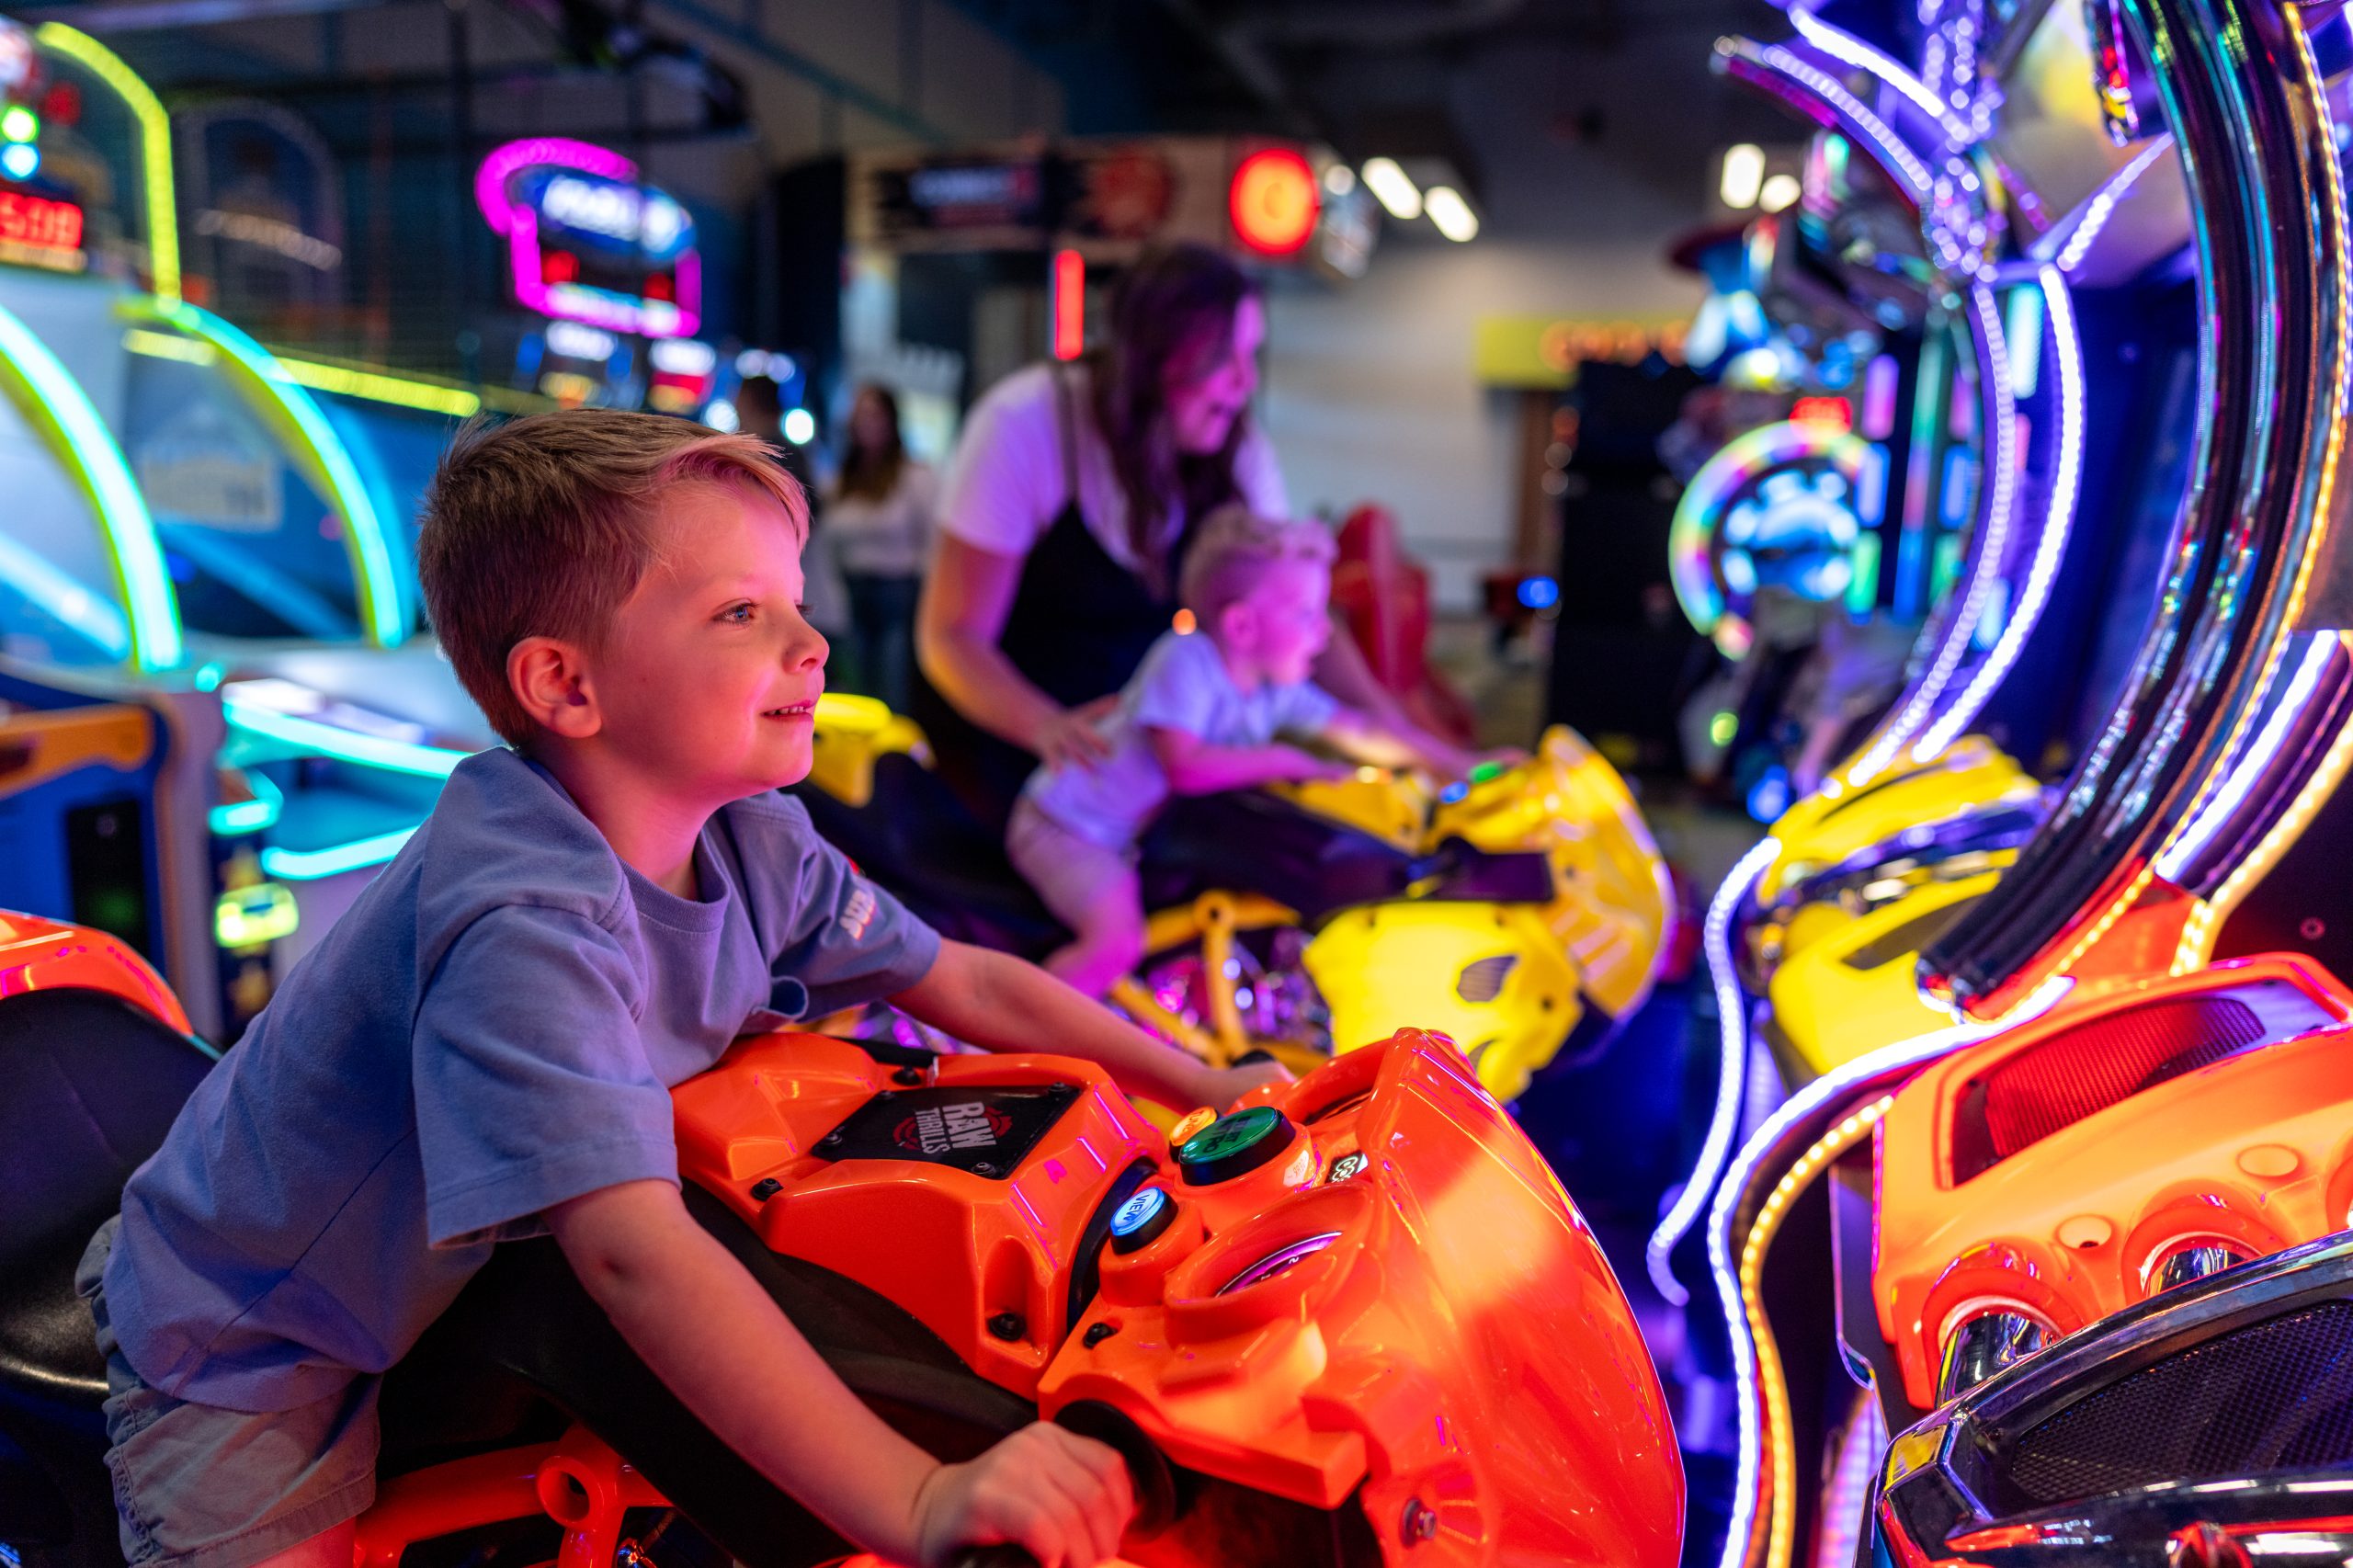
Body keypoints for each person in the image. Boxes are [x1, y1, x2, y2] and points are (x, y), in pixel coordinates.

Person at [74, 411, 1284, 1568]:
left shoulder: (751, 838)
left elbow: (961, 976)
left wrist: (1201, 1083)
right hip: (252, 1331)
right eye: (743, 612)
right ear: (566, 685)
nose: (810, 646)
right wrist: (919, 1493)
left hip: (460, 1270)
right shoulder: (525, 921)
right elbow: (635, 1254)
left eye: (796, 603)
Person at [916, 242, 1409, 829]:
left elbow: (1300, 615)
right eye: (1226, 356)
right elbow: (952, 637)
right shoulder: (1025, 423)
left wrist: (1405, 737)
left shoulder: (1236, 447)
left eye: (1252, 354)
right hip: (1014, 772)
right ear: (1153, 358)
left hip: (1141, 769)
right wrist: (1046, 726)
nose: (1245, 381)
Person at [1006, 506, 1474, 996]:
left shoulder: (1273, 690)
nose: (1325, 631)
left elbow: (1362, 729)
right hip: (1065, 827)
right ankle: (1017, 1039)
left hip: (1119, 835)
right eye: (1306, 613)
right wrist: (1286, 761)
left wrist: (1462, 764)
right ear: (1242, 627)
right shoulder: (1186, 661)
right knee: (1116, 943)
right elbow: (1183, 766)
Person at [825, 383, 936, 711]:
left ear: (891, 420)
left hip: (896, 594)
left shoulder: (913, 475)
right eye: (861, 414)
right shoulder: (842, 478)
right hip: (848, 594)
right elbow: (828, 543)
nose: (867, 422)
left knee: (892, 692)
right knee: (854, 692)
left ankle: (890, 762)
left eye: (875, 414)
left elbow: (932, 540)